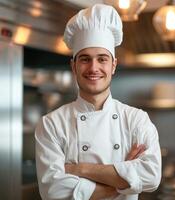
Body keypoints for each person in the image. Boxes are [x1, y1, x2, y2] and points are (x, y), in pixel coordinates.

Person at [35, 4, 161, 200]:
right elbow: (53, 192)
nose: (93, 68)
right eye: (85, 59)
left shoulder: (136, 119)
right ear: (73, 66)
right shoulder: (51, 124)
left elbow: (151, 176)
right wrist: (123, 177)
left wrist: (80, 169)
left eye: (102, 59)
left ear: (113, 66)